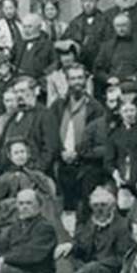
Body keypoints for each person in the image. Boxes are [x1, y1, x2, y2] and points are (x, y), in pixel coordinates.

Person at [20, 186, 131, 273]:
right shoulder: (90, 223)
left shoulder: (122, 226)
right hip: (87, 270)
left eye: (103, 205)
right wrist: (71, 246)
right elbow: (81, 246)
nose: (99, 209)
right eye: (95, 205)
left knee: (92, 268)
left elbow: (121, 258)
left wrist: (98, 264)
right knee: (63, 254)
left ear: (111, 207)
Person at [0, 138, 58, 260]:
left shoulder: (38, 175)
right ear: (10, 156)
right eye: (16, 153)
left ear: (28, 153)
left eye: (23, 152)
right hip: (12, 218)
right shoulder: (4, 179)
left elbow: (48, 195)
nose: (20, 156)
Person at [50, 64, 105, 215]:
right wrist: (61, 152)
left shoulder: (96, 108)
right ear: (67, 81)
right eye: (73, 78)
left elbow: (98, 138)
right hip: (60, 162)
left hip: (85, 164)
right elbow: (51, 133)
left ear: (86, 80)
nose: (77, 82)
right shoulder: (58, 106)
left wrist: (78, 153)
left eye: (80, 78)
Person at [0, 75, 60, 174]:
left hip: (34, 176)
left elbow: (50, 149)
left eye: (22, 91)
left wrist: (35, 171)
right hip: (11, 175)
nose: (19, 95)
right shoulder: (14, 116)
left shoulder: (45, 115)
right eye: (16, 92)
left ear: (36, 91)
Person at [93, 12, 137, 101]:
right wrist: (108, 78)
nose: (121, 29)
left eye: (124, 25)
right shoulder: (107, 46)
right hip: (113, 85)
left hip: (135, 84)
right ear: (114, 27)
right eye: (118, 26)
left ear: (130, 26)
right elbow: (97, 69)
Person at [104, 97, 137, 199]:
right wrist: (115, 175)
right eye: (125, 111)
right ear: (120, 113)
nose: (129, 114)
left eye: (132, 110)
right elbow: (108, 161)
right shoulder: (114, 134)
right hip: (120, 175)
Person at [11, 13, 55, 83]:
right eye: (24, 27)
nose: (26, 30)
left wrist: (43, 75)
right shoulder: (18, 43)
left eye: (29, 27)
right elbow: (11, 60)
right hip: (19, 81)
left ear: (38, 27)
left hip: (38, 82)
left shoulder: (47, 44)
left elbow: (55, 63)